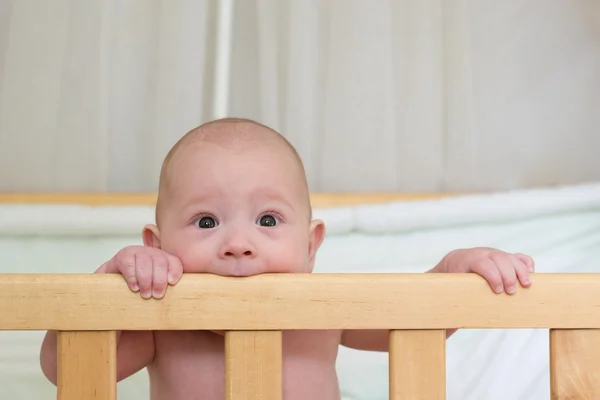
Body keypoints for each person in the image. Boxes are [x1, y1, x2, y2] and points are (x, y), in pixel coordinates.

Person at [39, 118, 535, 399]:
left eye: (269, 221)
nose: (238, 243)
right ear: (157, 245)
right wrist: (105, 292)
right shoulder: (158, 322)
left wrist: (453, 271)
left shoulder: (325, 311)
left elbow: (417, 323)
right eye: (206, 222)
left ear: (311, 245)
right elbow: (65, 369)